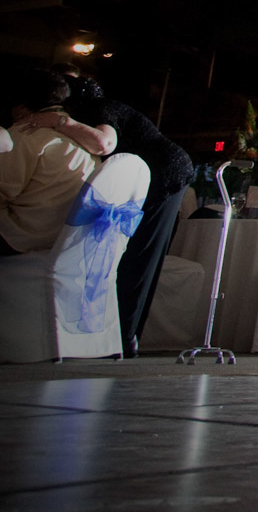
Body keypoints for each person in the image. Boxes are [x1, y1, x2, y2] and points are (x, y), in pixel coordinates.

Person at [54, 67, 194, 355]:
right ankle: (125, 334)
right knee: (137, 255)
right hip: (159, 171)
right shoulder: (102, 107)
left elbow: (104, 142)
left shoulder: (101, 109)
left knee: (139, 255)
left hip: (166, 171)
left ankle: (126, 335)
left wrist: (59, 122)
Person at [0, 68, 101, 255]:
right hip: (66, 239)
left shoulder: (24, 133)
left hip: (23, 236)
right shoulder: (83, 134)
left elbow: (3, 190)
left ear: (20, 104)